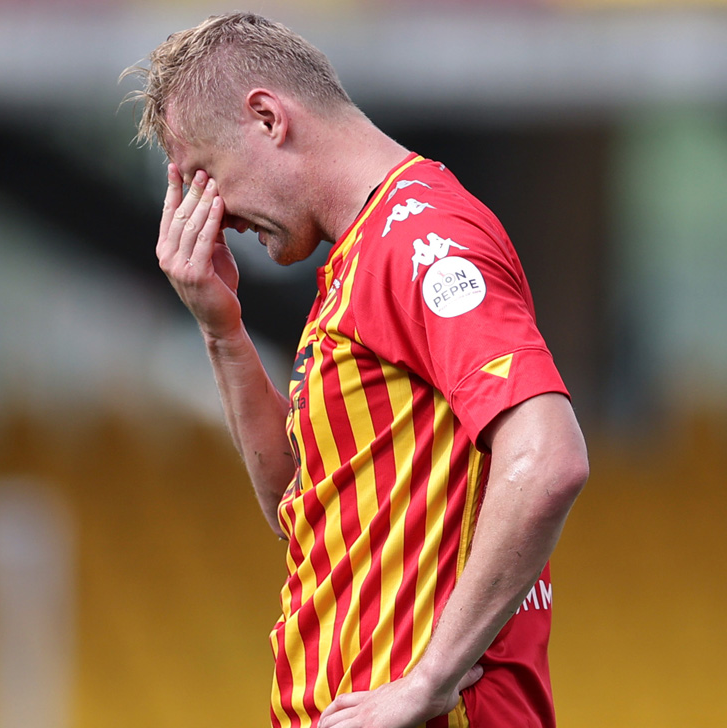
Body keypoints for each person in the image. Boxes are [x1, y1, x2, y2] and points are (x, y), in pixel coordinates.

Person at [122, 12, 588, 728]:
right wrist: (222, 330)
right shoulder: (359, 258)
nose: (217, 219)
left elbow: (548, 457)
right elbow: (298, 506)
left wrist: (429, 679)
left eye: (208, 179)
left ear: (268, 118)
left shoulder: (422, 238)